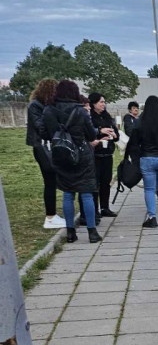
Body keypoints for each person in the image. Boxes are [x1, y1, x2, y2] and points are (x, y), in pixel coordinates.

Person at [42, 79, 102, 244]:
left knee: (68, 193)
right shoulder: (81, 112)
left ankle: (70, 232)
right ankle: (92, 232)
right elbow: (91, 135)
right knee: (86, 193)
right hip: (82, 156)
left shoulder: (48, 110)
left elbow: (43, 132)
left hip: (61, 156)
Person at [127, 95, 158, 227]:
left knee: (149, 189)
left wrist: (136, 159)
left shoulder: (140, 122)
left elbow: (133, 143)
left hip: (147, 158)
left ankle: (152, 217)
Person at [26, 79, 65, 229]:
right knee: (49, 179)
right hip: (41, 145)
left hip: (47, 145)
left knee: (52, 180)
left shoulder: (43, 106)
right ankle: (50, 217)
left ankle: (52, 215)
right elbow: (40, 125)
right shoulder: (35, 106)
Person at [88, 92, 119, 218]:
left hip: (107, 154)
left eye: (104, 102)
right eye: (101, 102)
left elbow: (116, 132)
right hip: (95, 155)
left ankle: (105, 207)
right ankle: (94, 209)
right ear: (94, 103)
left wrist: (114, 135)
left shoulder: (107, 117)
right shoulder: (90, 117)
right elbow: (88, 133)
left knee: (106, 182)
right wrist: (101, 132)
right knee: (95, 183)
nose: (103, 104)